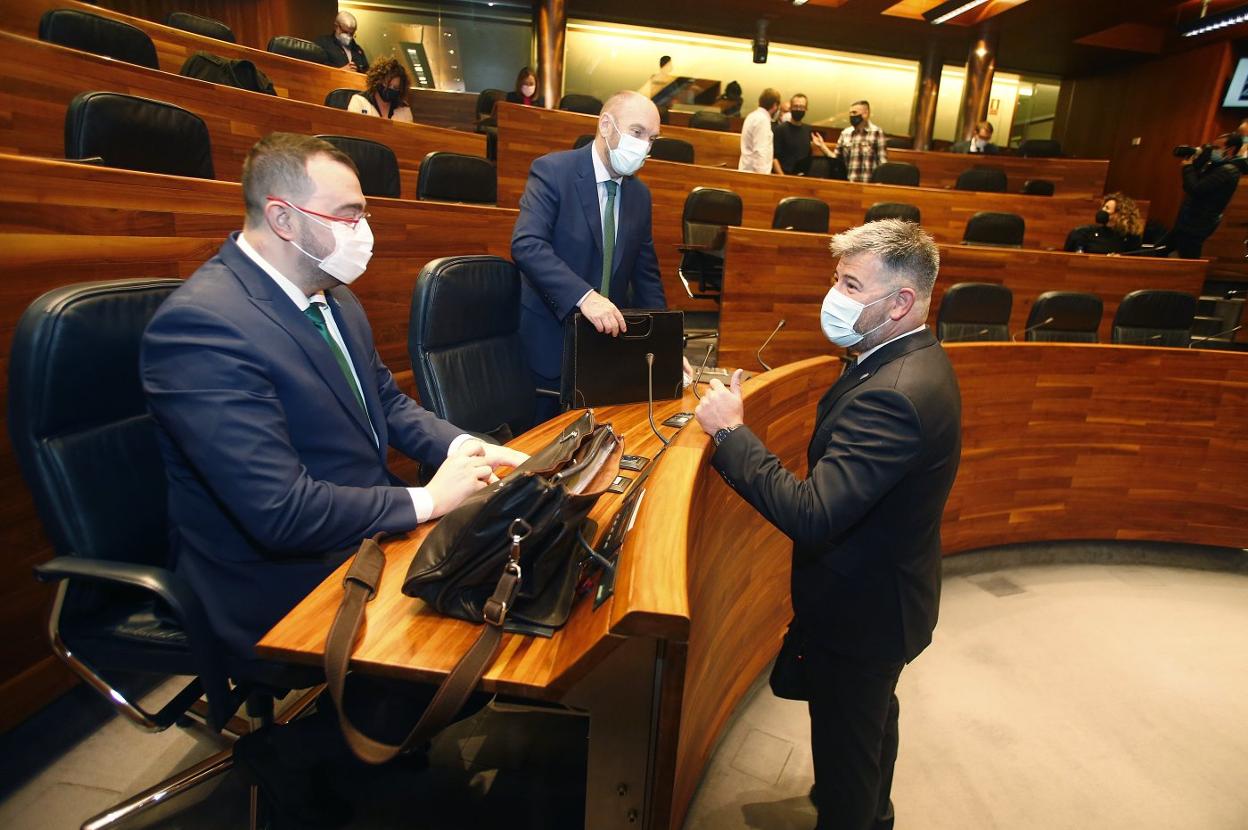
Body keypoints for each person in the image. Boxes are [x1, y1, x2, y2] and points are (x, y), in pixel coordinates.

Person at [141, 133, 526, 662]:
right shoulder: (201, 327)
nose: (362, 232)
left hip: (358, 532)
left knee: (513, 571)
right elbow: (280, 511)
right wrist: (429, 501)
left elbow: (386, 404)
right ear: (283, 219)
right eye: (348, 216)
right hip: (273, 578)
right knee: (462, 647)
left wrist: (468, 446)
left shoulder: (335, 297)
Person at [693, 219, 961, 830]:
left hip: (864, 615)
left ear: (900, 302)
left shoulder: (895, 393)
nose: (834, 296)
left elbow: (813, 514)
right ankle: (877, 812)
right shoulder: (905, 356)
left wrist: (731, 433)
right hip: (886, 598)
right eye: (836, 279)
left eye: (850, 284)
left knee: (846, 754)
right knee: (870, 726)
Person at [511, 91, 669, 422]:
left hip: (606, 349)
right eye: (637, 132)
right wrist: (584, 297)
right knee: (537, 453)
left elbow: (646, 277)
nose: (644, 146)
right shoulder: (553, 171)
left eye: (652, 139)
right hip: (550, 343)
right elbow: (527, 244)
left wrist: (665, 345)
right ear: (606, 125)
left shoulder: (639, 195)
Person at [1165, 132, 1243, 259]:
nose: (1213, 151)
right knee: (1164, 251)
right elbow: (1189, 186)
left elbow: (1196, 189)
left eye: (1216, 148)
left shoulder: (1228, 170)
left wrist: (1187, 168)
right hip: (1189, 221)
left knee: (1189, 260)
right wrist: (1197, 163)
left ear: (1231, 149)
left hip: (1197, 224)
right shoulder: (1217, 167)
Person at [1064, 192, 1144, 254]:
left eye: (1107, 208)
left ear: (1120, 214)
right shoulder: (1081, 233)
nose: (1102, 210)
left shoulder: (1132, 238)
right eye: (1103, 207)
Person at [773, 93, 832, 175]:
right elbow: (774, 158)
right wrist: (782, 177)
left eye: (801, 107)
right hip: (784, 177)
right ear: (790, 108)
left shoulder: (808, 130)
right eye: (796, 106)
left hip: (803, 177)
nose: (798, 109)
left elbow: (809, 156)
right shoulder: (780, 129)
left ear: (806, 109)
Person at [835, 100, 888, 183]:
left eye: (854, 112)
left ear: (865, 114)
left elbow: (882, 162)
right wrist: (822, 146)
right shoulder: (845, 133)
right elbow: (836, 158)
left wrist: (879, 183)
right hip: (847, 183)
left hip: (868, 185)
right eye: (850, 113)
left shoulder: (877, 132)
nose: (851, 115)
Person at [347, 58, 413, 122]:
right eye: (387, 84)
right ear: (377, 81)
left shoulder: (404, 109)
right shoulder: (359, 101)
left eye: (395, 88)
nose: (390, 89)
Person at [740, 88, 783, 175]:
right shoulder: (762, 120)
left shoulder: (752, 116)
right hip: (755, 174)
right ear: (775, 105)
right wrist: (763, 177)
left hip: (746, 169)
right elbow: (760, 151)